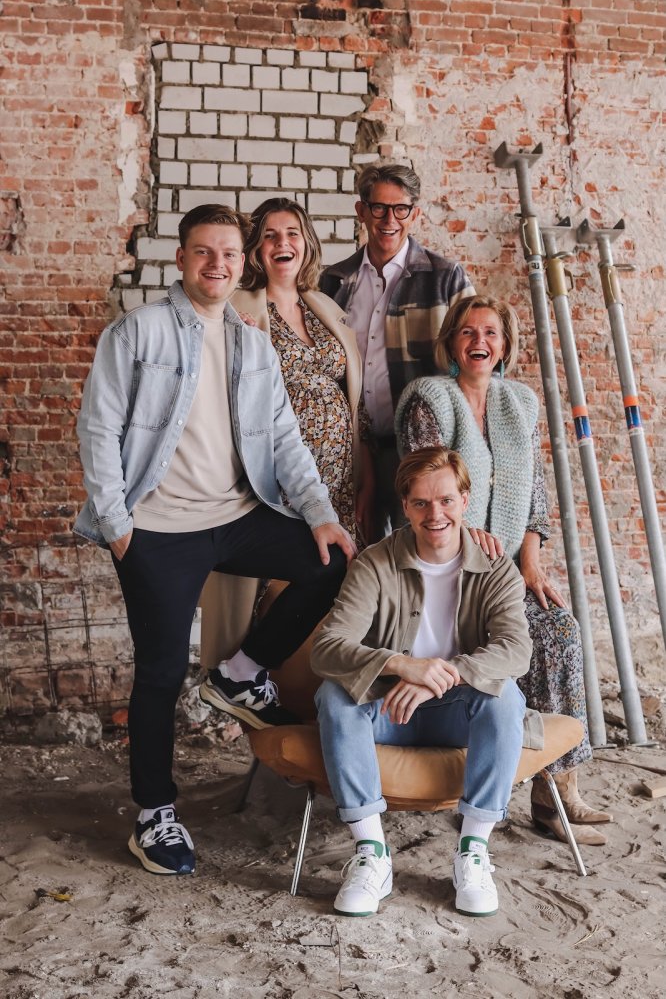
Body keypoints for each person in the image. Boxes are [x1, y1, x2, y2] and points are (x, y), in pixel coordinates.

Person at [75, 204, 355, 877]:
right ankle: (155, 815)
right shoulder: (137, 331)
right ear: (181, 260)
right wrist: (118, 527)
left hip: (236, 515)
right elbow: (97, 428)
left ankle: (239, 673)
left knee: (330, 561)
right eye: (204, 252)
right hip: (159, 530)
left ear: (243, 261)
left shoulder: (252, 343)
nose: (217, 264)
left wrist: (318, 512)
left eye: (230, 253)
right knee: (162, 670)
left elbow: (284, 438)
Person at [395, 294, 612, 846]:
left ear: (506, 345)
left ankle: (555, 791)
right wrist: (465, 536)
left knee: (558, 630)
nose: (480, 342)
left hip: (506, 573)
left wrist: (530, 565)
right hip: (442, 569)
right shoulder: (429, 399)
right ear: (450, 343)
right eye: (468, 332)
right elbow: (426, 487)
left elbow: (535, 495)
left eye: (491, 333)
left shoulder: (520, 402)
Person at [311, 446, 537, 918]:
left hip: (459, 715)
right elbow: (327, 648)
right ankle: (372, 854)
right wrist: (402, 665)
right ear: (406, 507)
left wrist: (442, 676)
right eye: (421, 503)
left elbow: (516, 649)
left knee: (505, 698)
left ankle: (473, 852)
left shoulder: (495, 566)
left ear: (465, 500)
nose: (435, 514)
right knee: (334, 696)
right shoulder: (375, 563)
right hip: (389, 711)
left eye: (446, 500)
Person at [319, 162, 475, 538]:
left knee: (422, 549)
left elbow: (479, 366)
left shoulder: (445, 278)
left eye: (401, 209)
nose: (389, 219)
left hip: (423, 450)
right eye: (379, 208)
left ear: (414, 214)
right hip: (353, 451)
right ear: (361, 211)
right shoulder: (334, 281)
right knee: (359, 549)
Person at [231, 196, 372, 542]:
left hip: (340, 475)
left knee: (334, 564)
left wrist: (366, 475)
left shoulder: (324, 306)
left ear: (306, 243)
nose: (283, 243)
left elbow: (354, 400)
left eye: (292, 233)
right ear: (255, 248)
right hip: (277, 474)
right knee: (278, 565)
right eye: (270, 235)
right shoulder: (236, 310)